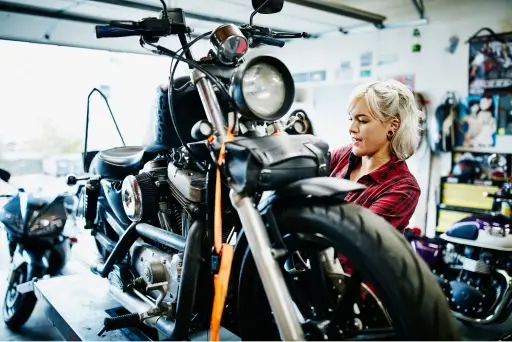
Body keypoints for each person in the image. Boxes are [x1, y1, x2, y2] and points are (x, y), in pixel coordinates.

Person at [330, 79, 422, 232]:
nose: (351, 128)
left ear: (392, 126)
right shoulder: (345, 155)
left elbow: (357, 240)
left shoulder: (403, 189)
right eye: (350, 119)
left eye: (363, 121)